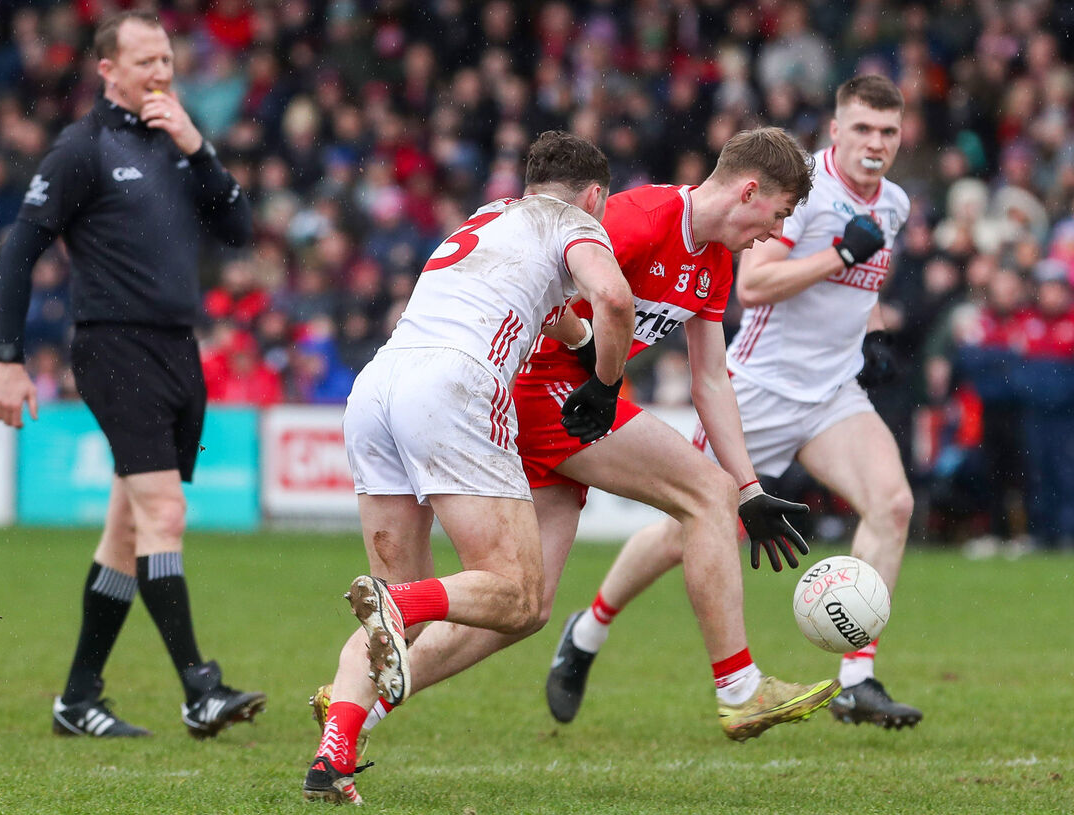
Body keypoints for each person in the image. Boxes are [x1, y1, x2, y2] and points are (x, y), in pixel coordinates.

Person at [309, 127, 839, 776]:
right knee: (706, 492)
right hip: (542, 390)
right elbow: (565, 286)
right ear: (750, 190)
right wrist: (605, 379)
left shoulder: (716, 262)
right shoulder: (634, 215)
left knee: (520, 607)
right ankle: (740, 687)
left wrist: (752, 486)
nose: (774, 233)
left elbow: (709, 380)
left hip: (548, 401)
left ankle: (356, 705)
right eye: (779, 214)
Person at [551, 75, 922, 730]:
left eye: (889, 131)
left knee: (893, 503)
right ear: (836, 130)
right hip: (760, 388)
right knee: (683, 531)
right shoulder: (802, 190)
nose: (876, 143)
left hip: (833, 391)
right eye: (863, 128)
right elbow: (756, 283)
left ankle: (856, 679)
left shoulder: (893, 203)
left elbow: (854, 293)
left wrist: (876, 330)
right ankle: (588, 628)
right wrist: (838, 254)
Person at [303, 130, 635, 805]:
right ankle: (397, 603)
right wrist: (605, 383)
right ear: (595, 196)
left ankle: (332, 755)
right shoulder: (573, 221)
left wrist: (584, 346)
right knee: (518, 595)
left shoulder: (487, 218)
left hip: (378, 386)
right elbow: (615, 298)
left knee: (405, 619)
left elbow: (565, 320)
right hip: (453, 386)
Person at [0, 11, 265, 739]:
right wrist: (8, 357)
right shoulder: (83, 147)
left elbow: (239, 231)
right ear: (107, 69)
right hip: (115, 348)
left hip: (178, 350)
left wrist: (199, 146)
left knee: (126, 531)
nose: (161, 73)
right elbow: (21, 247)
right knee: (164, 514)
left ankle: (78, 698)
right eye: (145, 61)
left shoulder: (179, 141)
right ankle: (200, 688)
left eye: (168, 59)